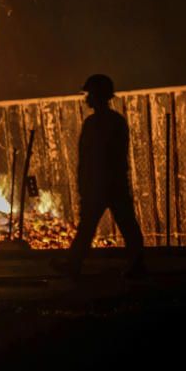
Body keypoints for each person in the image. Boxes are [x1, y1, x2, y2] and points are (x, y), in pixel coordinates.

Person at [53, 74, 147, 278]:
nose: (85, 98)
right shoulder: (116, 121)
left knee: (91, 227)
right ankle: (136, 263)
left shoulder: (95, 124)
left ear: (96, 96)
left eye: (88, 94)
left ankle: (74, 265)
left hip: (101, 185)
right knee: (125, 224)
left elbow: (90, 159)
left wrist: (85, 185)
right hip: (113, 183)